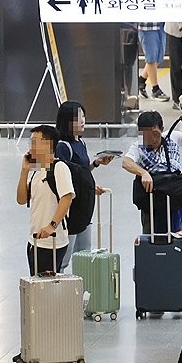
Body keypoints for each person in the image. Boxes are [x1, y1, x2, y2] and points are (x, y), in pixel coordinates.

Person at [122, 110, 182, 234]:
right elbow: (126, 162)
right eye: (146, 135)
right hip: (152, 201)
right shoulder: (138, 146)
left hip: (175, 199)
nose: (152, 139)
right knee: (151, 238)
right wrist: (143, 173)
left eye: (155, 134)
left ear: (162, 129)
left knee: (178, 238)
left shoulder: (173, 137)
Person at [53, 102, 114, 271]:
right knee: (64, 258)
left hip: (84, 206)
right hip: (70, 209)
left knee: (84, 255)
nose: (82, 121)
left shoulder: (80, 142)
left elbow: (82, 173)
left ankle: (81, 291)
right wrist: (88, 188)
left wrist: (96, 163)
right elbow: (64, 177)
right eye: (78, 118)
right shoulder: (62, 147)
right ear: (66, 121)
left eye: (83, 116)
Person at [16, 125, 75, 276]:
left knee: (46, 293)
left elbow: (67, 197)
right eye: (31, 143)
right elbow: (21, 200)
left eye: (35, 142)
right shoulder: (38, 171)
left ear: (48, 144)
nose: (31, 147)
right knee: (37, 288)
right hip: (35, 241)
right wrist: (25, 171)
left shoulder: (59, 167)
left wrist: (52, 226)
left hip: (51, 242)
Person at [135, 0, 169, 101]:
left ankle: (141, 81)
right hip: (147, 26)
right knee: (151, 58)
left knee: (158, 58)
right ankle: (155, 88)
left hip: (161, 25)